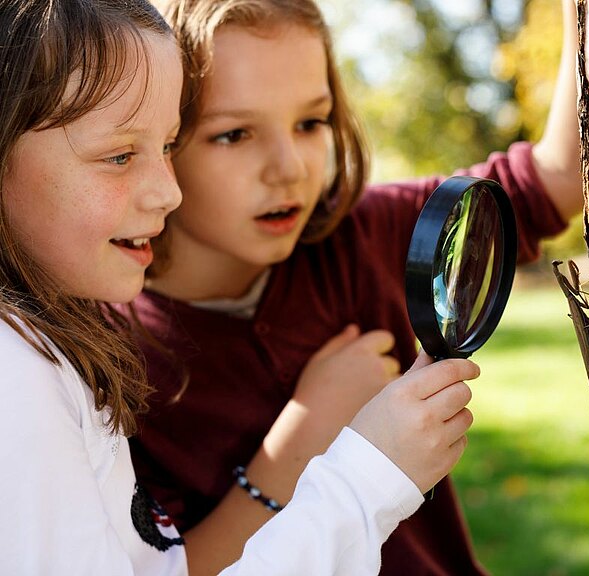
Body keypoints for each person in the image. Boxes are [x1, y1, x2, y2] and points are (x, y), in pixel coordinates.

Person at [0, 1, 480, 574]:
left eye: (168, 145)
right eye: (120, 154)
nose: (168, 192)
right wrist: (369, 472)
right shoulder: (18, 376)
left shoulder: (50, 346)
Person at [130, 0, 582, 574]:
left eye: (311, 123)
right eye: (235, 133)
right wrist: (305, 439)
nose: (289, 166)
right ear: (160, 140)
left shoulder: (367, 233)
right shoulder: (107, 358)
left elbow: (559, 180)